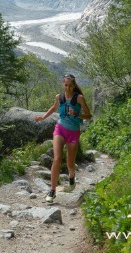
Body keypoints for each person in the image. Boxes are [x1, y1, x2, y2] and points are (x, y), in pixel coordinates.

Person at [34, 74, 92, 203]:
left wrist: (77, 114)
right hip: (60, 129)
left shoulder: (79, 98)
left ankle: (72, 176)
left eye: (70, 86)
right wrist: (43, 118)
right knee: (57, 159)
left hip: (73, 132)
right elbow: (54, 108)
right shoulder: (59, 97)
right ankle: (52, 190)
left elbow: (88, 116)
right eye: (66, 85)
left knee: (70, 163)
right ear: (63, 84)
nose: (68, 88)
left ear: (74, 86)